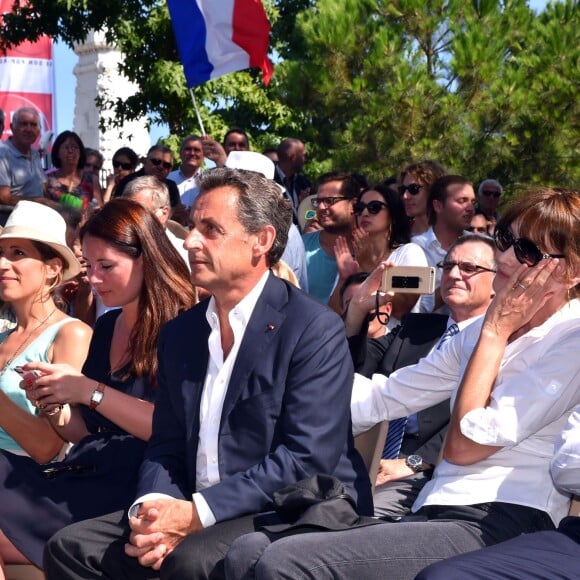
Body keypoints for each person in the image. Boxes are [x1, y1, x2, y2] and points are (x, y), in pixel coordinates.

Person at [223, 186, 580, 579]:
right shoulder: (478, 330)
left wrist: (495, 334)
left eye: (528, 252)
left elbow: (463, 446)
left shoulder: (569, 339)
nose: (507, 257)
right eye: (506, 240)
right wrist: (263, 386)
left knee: (282, 563)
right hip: (434, 508)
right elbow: (383, 396)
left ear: (572, 272)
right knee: (248, 551)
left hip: (504, 522)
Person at [44, 167, 372, 580]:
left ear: (262, 240)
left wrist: (197, 514)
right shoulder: (182, 333)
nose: (192, 241)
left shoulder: (312, 329)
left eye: (211, 229)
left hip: (289, 510)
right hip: (196, 508)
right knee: (71, 548)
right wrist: (153, 508)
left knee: (190, 561)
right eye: (194, 226)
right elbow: (165, 444)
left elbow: (306, 458)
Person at [0, 198, 197, 575]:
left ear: (145, 259)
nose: (93, 279)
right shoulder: (106, 329)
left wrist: (89, 390)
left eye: (106, 266)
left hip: (136, 485)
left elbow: (174, 427)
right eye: (90, 267)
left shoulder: (183, 327)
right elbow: (82, 429)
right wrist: (50, 400)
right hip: (86, 471)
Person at [345, 235, 496, 517]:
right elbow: (356, 374)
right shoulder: (417, 327)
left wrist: (414, 462)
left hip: (429, 472)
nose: (453, 274)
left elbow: (474, 418)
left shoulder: (495, 346)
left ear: (498, 283)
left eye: (469, 268)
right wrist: (357, 310)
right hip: (369, 454)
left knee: (360, 513)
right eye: (448, 265)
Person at [0, 200, 93, 575]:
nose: (3, 264)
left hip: (31, 487)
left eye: (17, 254)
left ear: (53, 269)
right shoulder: (3, 334)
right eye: (1, 253)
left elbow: (49, 446)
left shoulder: (71, 333)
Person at [416, 405, 580, 579]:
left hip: (509, 509)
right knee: (441, 576)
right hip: (447, 494)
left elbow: (461, 446)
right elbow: (567, 465)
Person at [331, 184, 428, 328]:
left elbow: (403, 308)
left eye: (374, 207)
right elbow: (332, 316)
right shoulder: (353, 259)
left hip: (392, 345)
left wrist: (368, 268)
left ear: (393, 216)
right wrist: (343, 279)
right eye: (359, 208)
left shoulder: (410, 252)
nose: (364, 213)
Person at [412, 174, 475, 313]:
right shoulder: (416, 249)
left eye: (472, 202)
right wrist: (452, 284)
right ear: (438, 206)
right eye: (462, 201)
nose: (470, 208)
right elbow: (415, 308)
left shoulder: (482, 246)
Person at [302, 172, 359, 303]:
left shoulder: (370, 248)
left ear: (353, 204)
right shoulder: (301, 247)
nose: (321, 207)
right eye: (318, 201)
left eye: (329, 201)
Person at [122, 175, 190, 268]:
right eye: (125, 211)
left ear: (164, 213)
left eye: (139, 212)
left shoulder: (184, 256)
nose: (130, 218)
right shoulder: (114, 247)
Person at [44, 131, 103, 209]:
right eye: (66, 147)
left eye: (75, 147)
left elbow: (99, 209)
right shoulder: (47, 180)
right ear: (57, 152)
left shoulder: (91, 180)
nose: (71, 151)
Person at [0, 107, 45, 204]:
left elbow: (43, 188)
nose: (29, 129)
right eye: (24, 124)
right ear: (12, 127)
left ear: (39, 130)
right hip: (11, 217)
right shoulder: (2, 154)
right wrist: (40, 202)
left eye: (33, 125)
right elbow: (3, 197)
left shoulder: (35, 154)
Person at [399, 160, 447, 235]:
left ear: (434, 190)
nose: (405, 196)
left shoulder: (456, 231)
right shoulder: (400, 236)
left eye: (413, 189)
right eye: (402, 190)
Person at [274, 138, 311, 215]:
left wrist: (305, 206)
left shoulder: (304, 184)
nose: (305, 160)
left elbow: (312, 216)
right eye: (303, 155)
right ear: (293, 158)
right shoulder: (269, 182)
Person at [167, 135, 204, 208]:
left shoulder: (208, 182)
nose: (192, 153)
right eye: (188, 149)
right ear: (180, 153)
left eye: (197, 150)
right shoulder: (168, 178)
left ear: (203, 156)